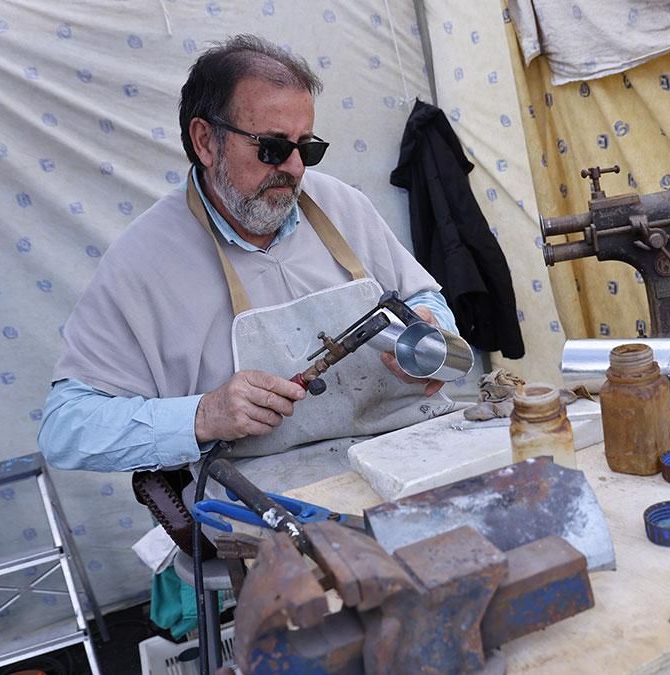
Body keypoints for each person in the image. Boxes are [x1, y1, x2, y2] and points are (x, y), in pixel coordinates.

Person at [38, 34, 457, 475]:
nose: (295, 168)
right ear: (205, 141)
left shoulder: (342, 206)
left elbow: (423, 301)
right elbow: (66, 428)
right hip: (273, 497)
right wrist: (203, 415)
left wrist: (429, 338)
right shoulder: (142, 262)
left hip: (409, 454)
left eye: (307, 148)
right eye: (272, 148)